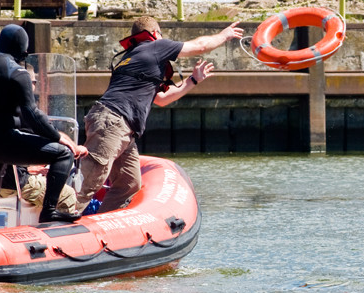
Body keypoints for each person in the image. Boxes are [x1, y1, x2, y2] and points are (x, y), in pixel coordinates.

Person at [75, 16, 244, 214]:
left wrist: (193, 80)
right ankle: (58, 221)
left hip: (119, 124)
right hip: (114, 121)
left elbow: (161, 98)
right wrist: (224, 35)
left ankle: (102, 224)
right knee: (91, 179)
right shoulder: (156, 47)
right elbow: (200, 46)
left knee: (129, 183)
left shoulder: (131, 58)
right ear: (155, 34)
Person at [0, 24, 87, 229]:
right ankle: (49, 211)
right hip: (3, 143)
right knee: (62, 154)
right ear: (24, 50)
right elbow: (31, 114)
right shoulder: (18, 72)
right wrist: (56, 136)